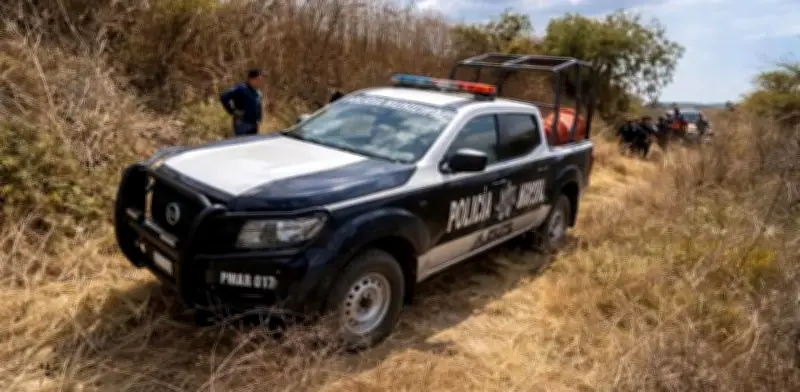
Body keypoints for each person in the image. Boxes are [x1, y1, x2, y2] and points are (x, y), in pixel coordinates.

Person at [219, 69, 268, 137]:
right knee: (242, 145)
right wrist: (233, 111)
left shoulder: (257, 92)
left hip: (254, 125)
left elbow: (258, 106)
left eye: (261, 80)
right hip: (242, 124)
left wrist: (259, 119)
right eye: (258, 80)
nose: (260, 82)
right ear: (251, 79)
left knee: (252, 146)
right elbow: (224, 96)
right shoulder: (241, 89)